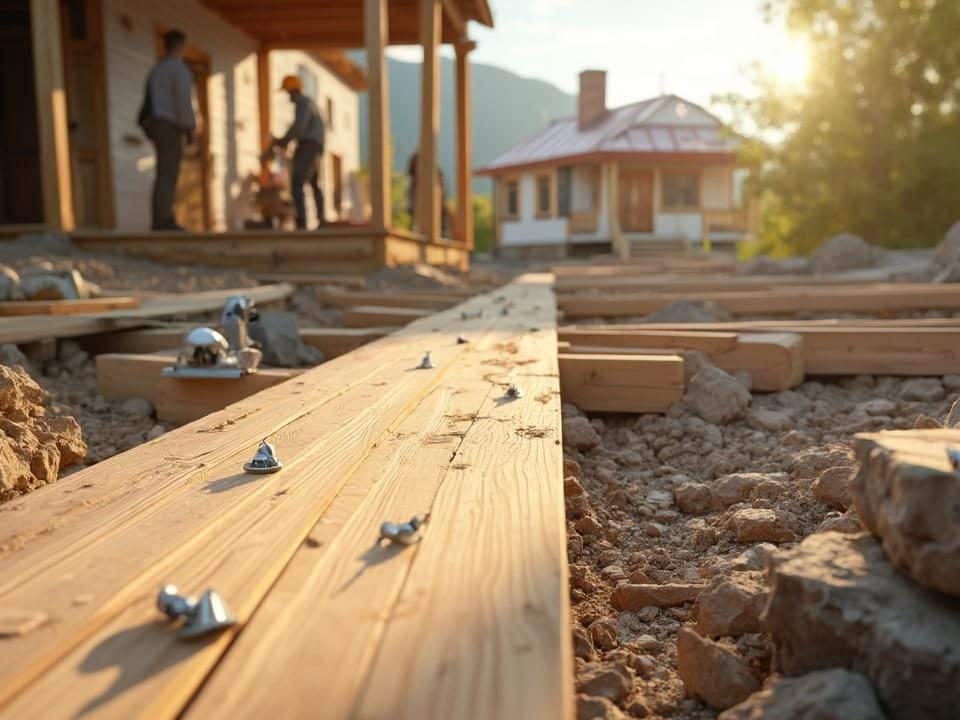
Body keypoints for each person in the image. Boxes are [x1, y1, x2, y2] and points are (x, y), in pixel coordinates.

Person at [139, 29, 196, 231]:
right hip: (169, 125)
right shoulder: (177, 69)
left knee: (163, 171)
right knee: (168, 172)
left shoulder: (158, 69)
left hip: (157, 124)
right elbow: (182, 102)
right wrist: (190, 127)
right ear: (180, 45)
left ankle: (160, 218)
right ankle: (164, 220)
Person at [273, 75, 326, 230]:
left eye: (288, 93)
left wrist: (283, 141)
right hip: (315, 146)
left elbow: (299, 127)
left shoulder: (303, 103)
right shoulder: (309, 103)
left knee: (297, 181)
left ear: (292, 91)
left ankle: (301, 222)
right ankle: (321, 221)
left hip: (308, 145)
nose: (288, 97)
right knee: (314, 183)